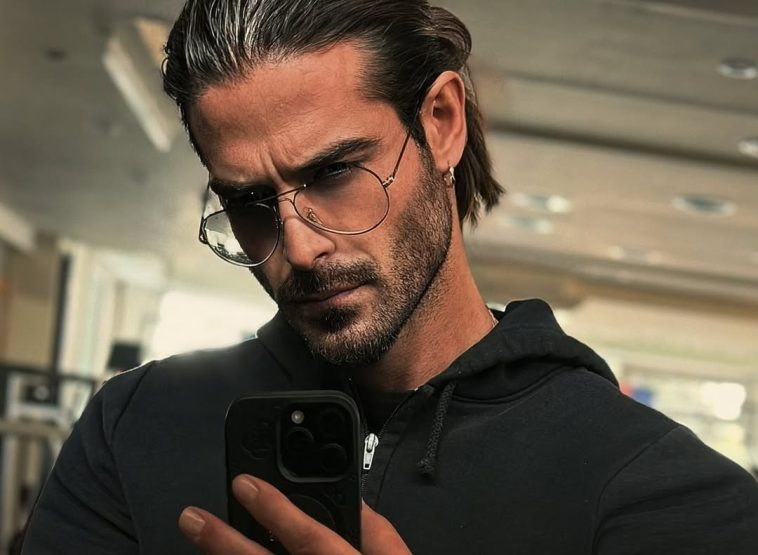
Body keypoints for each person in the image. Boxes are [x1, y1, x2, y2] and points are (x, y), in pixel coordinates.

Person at [21, 1, 758, 553]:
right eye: (249, 203)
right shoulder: (133, 427)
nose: (299, 248)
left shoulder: (661, 490)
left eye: (335, 173)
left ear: (441, 123)